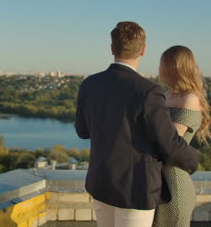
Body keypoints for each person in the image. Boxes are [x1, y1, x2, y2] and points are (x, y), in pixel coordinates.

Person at [74, 21, 199, 227]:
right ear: (143, 50)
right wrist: (193, 161)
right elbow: (168, 143)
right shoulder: (149, 91)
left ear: (112, 48)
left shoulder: (89, 84)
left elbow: (82, 131)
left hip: (101, 184)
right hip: (136, 190)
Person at [152, 45, 211, 227]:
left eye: (163, 65)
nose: (159, 70)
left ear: (174, 68)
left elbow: (168, 140)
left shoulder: (190, 98)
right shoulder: (167, 95)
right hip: (156, 181)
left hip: (174, 183)